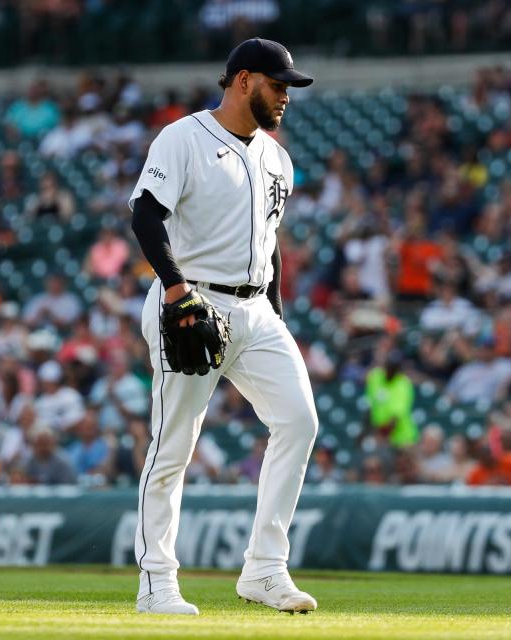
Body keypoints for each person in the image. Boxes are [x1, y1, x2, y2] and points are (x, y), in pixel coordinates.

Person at [128, 39, 317, 615]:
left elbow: (270, 240)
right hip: (192, 300)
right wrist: (177, 291)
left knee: (299, 422)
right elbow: (145, 213)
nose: (285, 96)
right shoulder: (183, 137)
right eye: (277, 85)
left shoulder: (277, 157)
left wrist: (276, 316)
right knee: (173, 447)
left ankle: (265, 570)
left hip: (256, 308)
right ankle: (156, 581)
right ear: (242, 81)